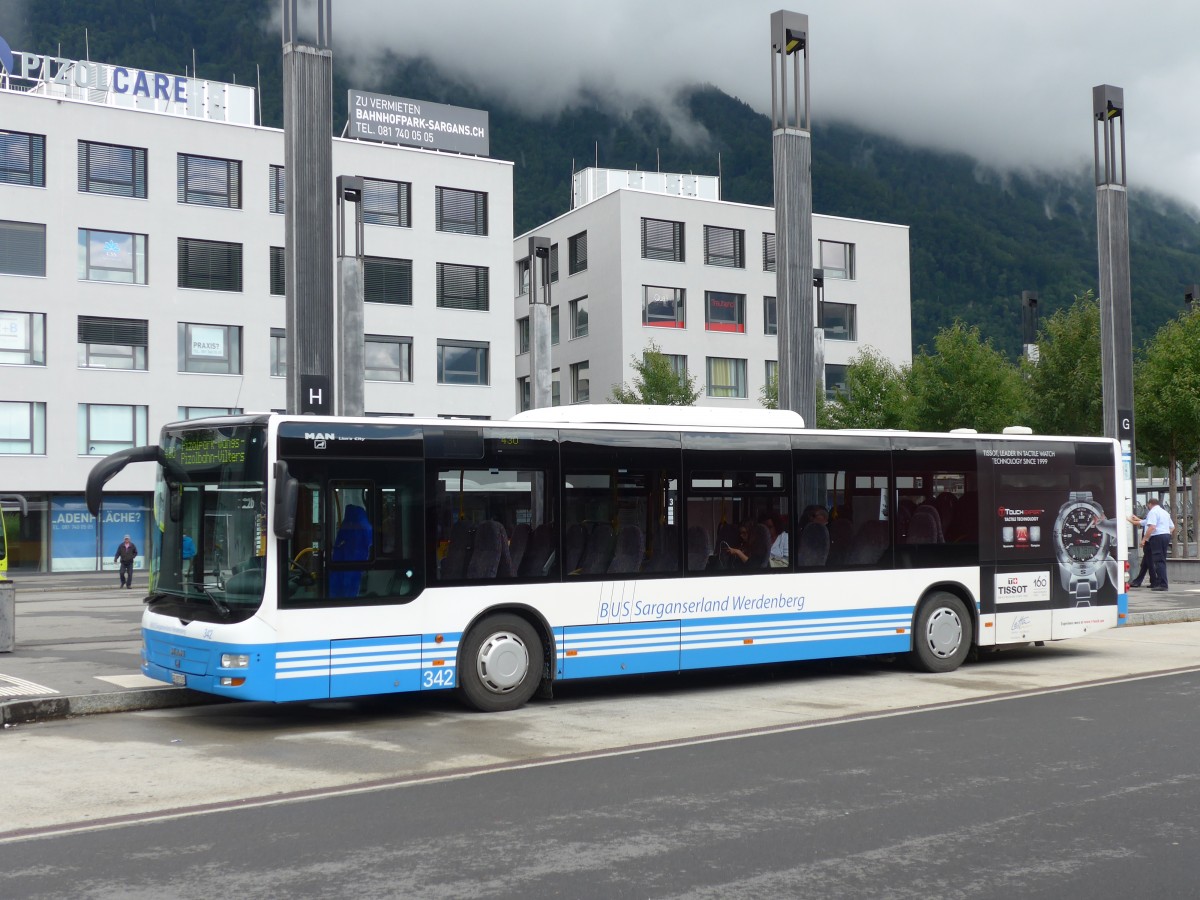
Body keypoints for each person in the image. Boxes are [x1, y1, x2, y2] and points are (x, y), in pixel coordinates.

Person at [1137, 498, 1174, 592]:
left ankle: (1162, 584)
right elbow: (1172, 527)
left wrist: (1144, 539)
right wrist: (1165, 533)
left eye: (1147, 505)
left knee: (1158, 561)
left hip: (1157, 537)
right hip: (1166, 536)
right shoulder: (1165, 512)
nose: (1147, 507)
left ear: (1150, 504)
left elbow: (1152, 527)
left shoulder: (1153, 512)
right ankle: (1162, 582)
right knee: (1162, 560)